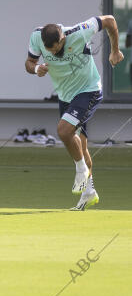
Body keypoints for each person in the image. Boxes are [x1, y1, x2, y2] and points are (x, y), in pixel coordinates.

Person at [25, 15, 123, 210]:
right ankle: (89, 193)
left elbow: (110, 20)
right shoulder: (36, 37)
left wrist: (115, 50)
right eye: (49, 50)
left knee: (63, 131)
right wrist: (36, 69)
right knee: (79, 146)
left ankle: (81, 171)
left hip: (89, 90)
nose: (54, 52)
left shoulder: (79, 31)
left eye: (56, 48)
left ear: (62, 39)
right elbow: (28, 62)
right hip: (66, 96)